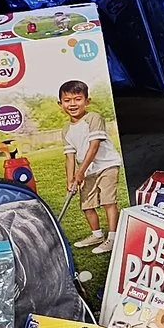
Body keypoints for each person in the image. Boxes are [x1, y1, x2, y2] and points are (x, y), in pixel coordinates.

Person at [57, 79, 121, 251]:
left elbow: (94, 147)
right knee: (87, 204)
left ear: (87, 101)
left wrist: (80, 173)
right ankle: (97, 235)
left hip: (107, 165)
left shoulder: (93, 118)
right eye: (67, 100)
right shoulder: (66, 129)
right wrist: (70, 180)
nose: (72, 104)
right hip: (88, 171)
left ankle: (112, 238)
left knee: (108, 201)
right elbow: (69, 157)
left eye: (78, 99)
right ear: (60, 104)